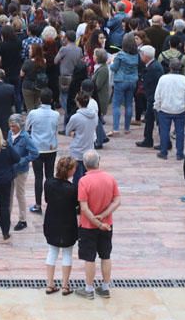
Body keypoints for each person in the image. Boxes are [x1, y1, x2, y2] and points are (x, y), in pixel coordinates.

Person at [75, 150, 120, 300]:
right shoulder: (110, 178)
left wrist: (96, 222)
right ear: (98, 162)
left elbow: (84, 208)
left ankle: (89, 289)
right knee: (106, 255)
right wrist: (104, 217)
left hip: (89, 227)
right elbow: (117, 201)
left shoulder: (83, 181)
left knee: (90, 258)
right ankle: (105, 287)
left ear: (85, 164)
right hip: (107, 225)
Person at [43, 156, 79, 296]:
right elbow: (76, 206)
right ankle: (65, 285)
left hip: (52, 221)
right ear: (69, 171)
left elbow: (46, 199)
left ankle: (50, 284)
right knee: (67, 254)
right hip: (67, 223)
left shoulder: (49, 183)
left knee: (52, 252)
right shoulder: (72, 188)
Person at [26, 89, 60, 214]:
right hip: (51, 148)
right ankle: (51, 203)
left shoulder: (33, 113)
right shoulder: (56, 114)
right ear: (51, 100)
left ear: (40, 99)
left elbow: (27, 128)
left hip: (37, 148)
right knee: (50, 176)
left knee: (38, 177)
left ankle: (38, 204)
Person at [154, 59, 185, 160]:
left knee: (164, 131)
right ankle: (180, 153)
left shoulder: (163, 78)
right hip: (180, 109)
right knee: (180, 132)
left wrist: (157, 106)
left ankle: (164, 152)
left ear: (170, 67)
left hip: (165, 108)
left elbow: (158, 94)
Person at [7, 113, 37, 232]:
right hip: (9, 169)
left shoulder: (26, 137)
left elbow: (35, 153)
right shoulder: (10, 134)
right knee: (8, 194)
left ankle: (22, 219)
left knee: (20, 194)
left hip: (20, 171)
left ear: (20, 125)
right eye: (10, 126)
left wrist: (22, 161)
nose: (12, 129)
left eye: (14, 126)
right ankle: (6, 217)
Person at [65, 91, 98, 186]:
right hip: (89, 149)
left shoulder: (75, 117)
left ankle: (77, 198)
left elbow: (67, 131)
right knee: (88, 178)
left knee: (77, 179)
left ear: (78, 102)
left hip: (77, 150)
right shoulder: (94, 116)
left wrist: (74, 133)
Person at [135, 45, 165, 148]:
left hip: (154, 98)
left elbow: (154, 84)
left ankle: (164, 141)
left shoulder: (154, 68)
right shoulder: (152, 66)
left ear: (145, 56)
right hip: (152, 97)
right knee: (150, 119)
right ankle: (148, 139)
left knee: (158, 120)